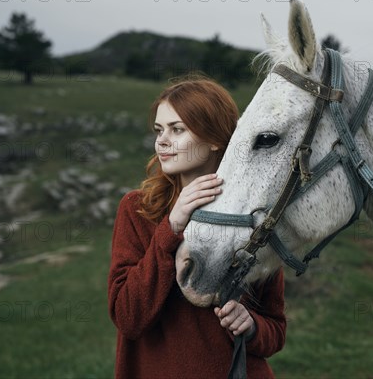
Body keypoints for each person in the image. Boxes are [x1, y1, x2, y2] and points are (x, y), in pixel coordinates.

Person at [108, 77, 286, 379]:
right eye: (159, 130)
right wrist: (171, 227)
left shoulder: (252, 213)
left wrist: (252, 325)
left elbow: (275, 330)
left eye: (177, 130)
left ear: (215, 138)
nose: (162, 141)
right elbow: (128, 316)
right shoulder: (138, 209)